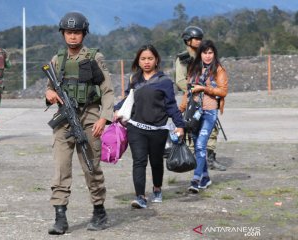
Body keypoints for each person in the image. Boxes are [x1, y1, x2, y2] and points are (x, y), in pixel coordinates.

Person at [45, 12, 114, 235]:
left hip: (90, 117)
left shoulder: (95, 57)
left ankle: (99, 211)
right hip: (64, 119)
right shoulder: (58, 60)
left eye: (76, 32)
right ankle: (60, 217)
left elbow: (107, 90)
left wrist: (104, 118)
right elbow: (49, 88)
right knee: (61, 167)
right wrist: (50, 94)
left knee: (90, 165)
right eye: (69, 32)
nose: (73, 37)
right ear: (63, 34)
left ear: (83, 34)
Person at [114, 44, 185, 209]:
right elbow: (128, 99)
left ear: (156, 60)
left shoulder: (165, 81)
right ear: (138, 61)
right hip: (136, 128)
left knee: (156, 162)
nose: (146, 62)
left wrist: (180, 126)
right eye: (143, 59)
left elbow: (171, 106)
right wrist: (116, 109)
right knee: (139, 161)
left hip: (157, 130)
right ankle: (140, 197)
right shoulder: (135, 80)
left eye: (150, 59)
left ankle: (157, 189)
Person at [179, 40, 228, 193]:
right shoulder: (194, 69)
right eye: (205, 53)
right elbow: (188, 91)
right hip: (194, 113)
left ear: (214, 54)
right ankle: (205, 178)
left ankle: (195, 180)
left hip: (209, 112)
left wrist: (204, 89)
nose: (207, 56)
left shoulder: (219, 70)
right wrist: (180, 109)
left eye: (210, 53)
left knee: (200, 146)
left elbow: (222, 91)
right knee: (198, 149)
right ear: (200, 54)